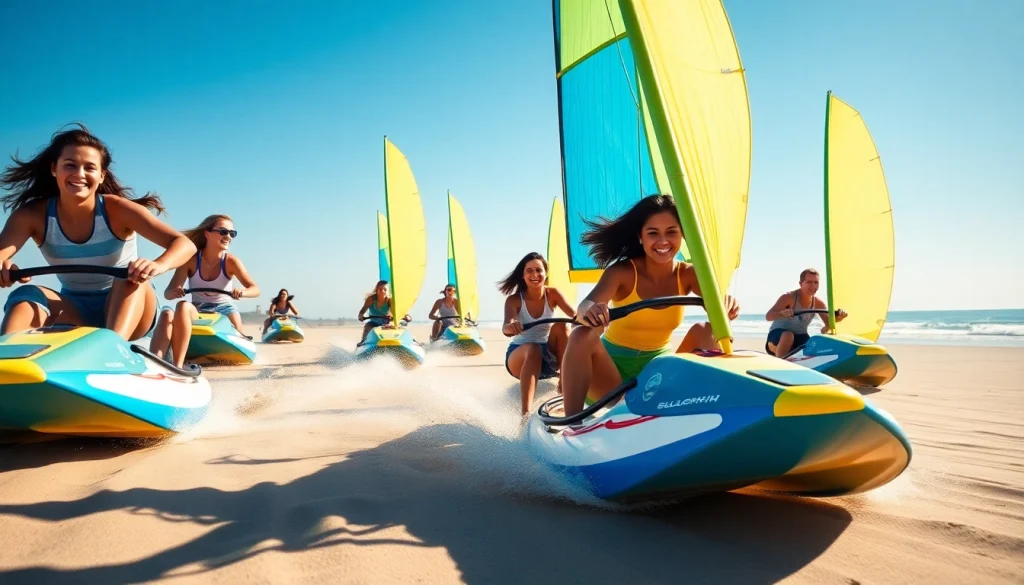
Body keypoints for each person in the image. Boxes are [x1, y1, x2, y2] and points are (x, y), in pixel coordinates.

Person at [0, 124, 195, 340]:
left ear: (102, 175)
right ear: (54, 169)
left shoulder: (117, 210)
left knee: (128, 276)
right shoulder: (31, 215)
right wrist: (3, 266)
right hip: (75, 310)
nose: (79, 174)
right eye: (70, 165)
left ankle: (112, 349)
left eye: (89, 168)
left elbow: (185, 244)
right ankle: (8, 362)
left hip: (132, 307)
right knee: (25, 295)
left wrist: (158, 265)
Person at [560, 194, 741, 417]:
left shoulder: (688, 274)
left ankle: (707, 410)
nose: (663, 241)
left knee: (706, 330)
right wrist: (590, 310)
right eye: (653, 233)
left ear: (683, 234)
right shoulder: (623, 272)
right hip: (610, 376)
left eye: (671, 232)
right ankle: (572, 422)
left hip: (659, 373)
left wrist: (726, 303)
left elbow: (718, 304)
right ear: (640, 237)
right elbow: (585, 305)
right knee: (581, 334)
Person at [149, 214, 260, 367]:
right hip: (197, 309)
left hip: (225, 309)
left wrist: (242, 292)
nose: (228, 237)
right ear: (207, 233)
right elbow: (168, 294)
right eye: (223, 231)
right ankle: (173, 365)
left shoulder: (231, 262)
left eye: (232, 233)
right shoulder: (190, 260)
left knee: (238, 334)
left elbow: (255, 289)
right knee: (176, 308)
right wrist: (175, 291)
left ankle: (177, 362)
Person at [498, 252, 576, 416]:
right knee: (532, 348)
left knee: (562, 326)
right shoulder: (514, 300)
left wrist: (595, 316)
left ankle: (564, 388)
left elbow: (575, 316)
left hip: (548, 358)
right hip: (519, 358)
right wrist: (511, 327)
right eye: (529, 271)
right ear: (523, 275)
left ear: (545, 273)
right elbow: (506, 326)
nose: (535, 275)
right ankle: (525, 415)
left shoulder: (553, 294)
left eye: (539, 270)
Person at [764, 268, 847, 357]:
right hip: (778, 336)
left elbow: (826, 328)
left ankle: (790, 355)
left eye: (816, 282)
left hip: (800, 336)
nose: (813, 286)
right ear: (801, 284)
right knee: (788, 335)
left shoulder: (818, 303)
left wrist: (837, 319)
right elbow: (768, 316)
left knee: (813, 344)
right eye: (809, 282)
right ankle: (778, 357)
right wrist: (782, 313)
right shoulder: (788, 297)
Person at [356, 280, 411, 345]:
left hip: (387, 323)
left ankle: (407, 342)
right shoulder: (371, 299)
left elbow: (396, 312)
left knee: (403, 325)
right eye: (380, 289)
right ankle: (362, 343)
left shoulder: (390, 300)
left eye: (385, 289)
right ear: (377, 290)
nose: (382, 291)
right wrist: (360, 316)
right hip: (373, 323)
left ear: (388, 291)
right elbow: (362, 310)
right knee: (367, 326)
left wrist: (406, 316)